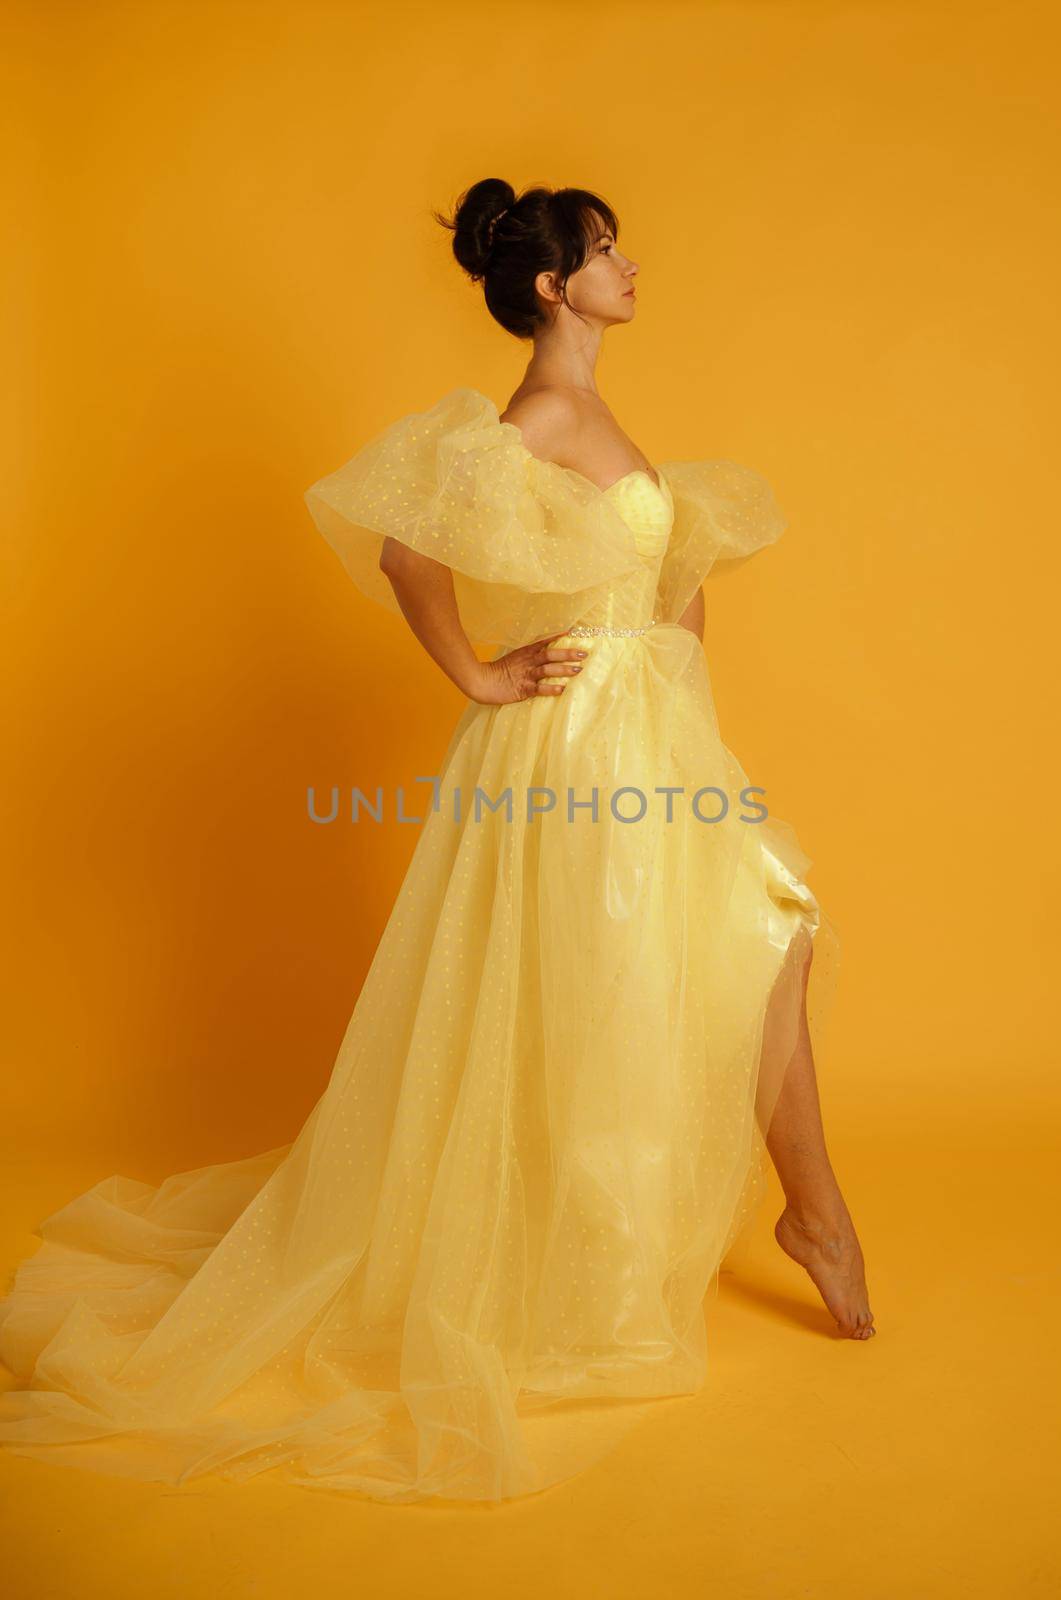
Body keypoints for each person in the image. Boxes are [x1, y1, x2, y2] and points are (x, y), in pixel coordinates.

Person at [0, 178, 873, 1506]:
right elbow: (413, 550)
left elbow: (649, 574)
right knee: (708, 959)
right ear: (550, 289)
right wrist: (475, 675)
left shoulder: (596, 408)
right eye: (604, 253)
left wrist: (688, 700)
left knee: (761, 936)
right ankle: (804, 1212)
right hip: (576, 750)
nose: (632, 265)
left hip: (651, 737)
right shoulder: (534, 414)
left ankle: (803, 1206)